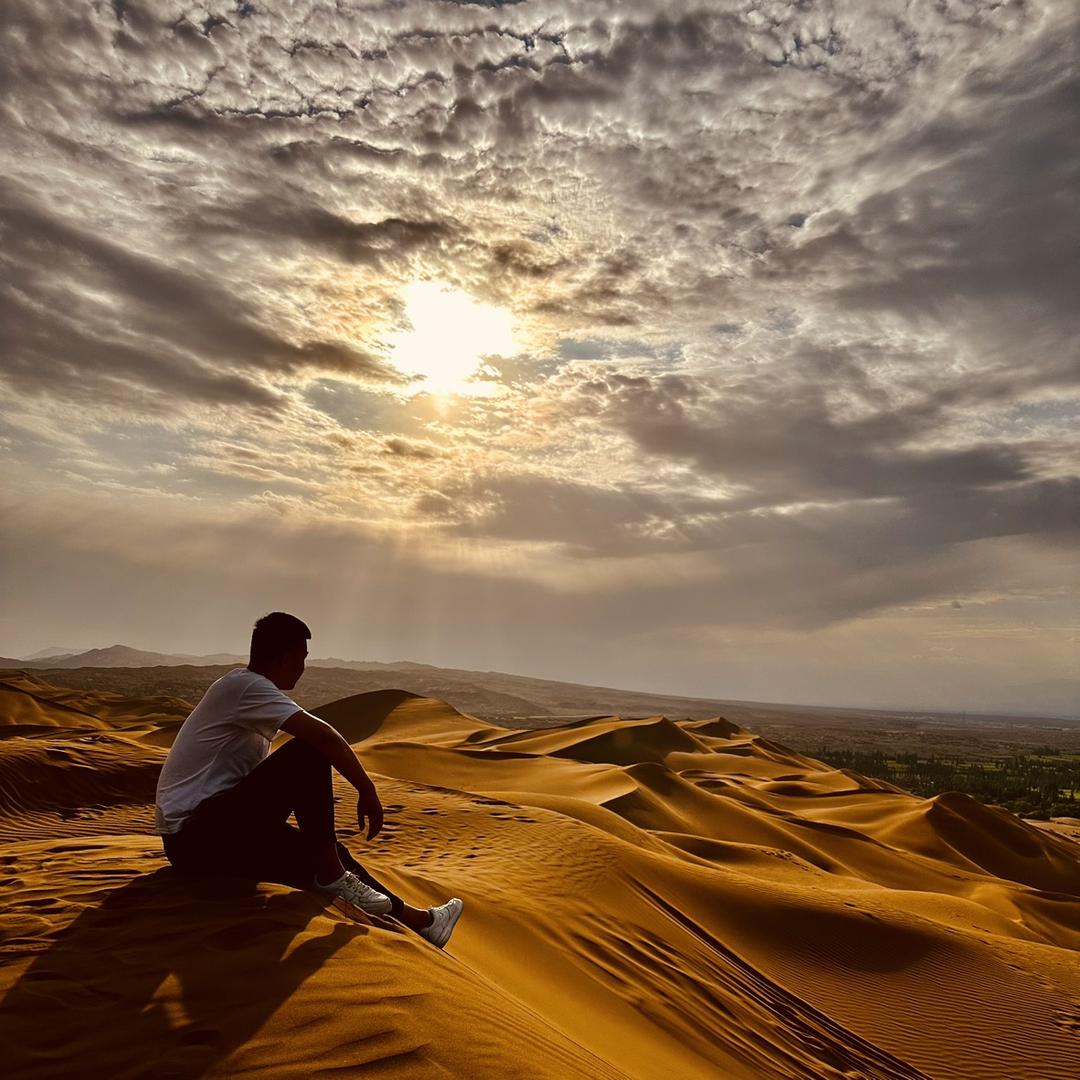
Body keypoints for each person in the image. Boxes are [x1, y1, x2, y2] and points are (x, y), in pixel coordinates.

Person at [154, 611, 463, 948]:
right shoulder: (246, 687)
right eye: (302, 657)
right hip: (197, 836)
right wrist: (367, 789)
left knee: (328, 852)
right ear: (285, 659)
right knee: (309, 752)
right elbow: (323, 738)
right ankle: (333, 876)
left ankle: (421, 923)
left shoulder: (242, 688)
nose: (303, 667)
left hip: (208, 839)